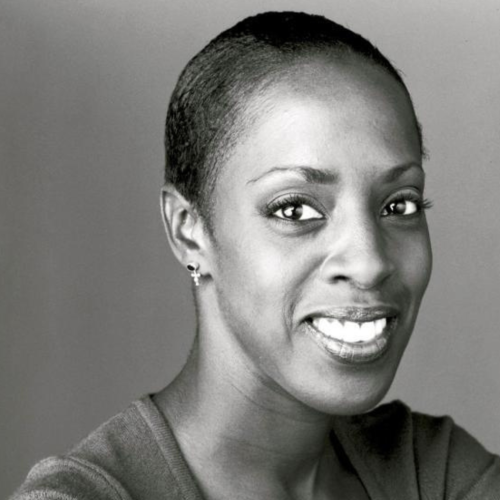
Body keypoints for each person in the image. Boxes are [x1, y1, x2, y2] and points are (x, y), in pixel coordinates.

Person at [11, 11, 500, 500]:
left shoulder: (433, 471)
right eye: (294, 209)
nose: (370, 262)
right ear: (188, 231)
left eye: (400, 205)